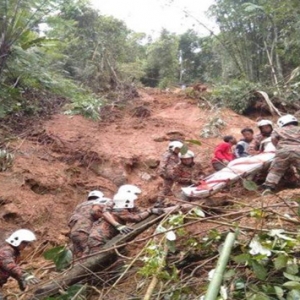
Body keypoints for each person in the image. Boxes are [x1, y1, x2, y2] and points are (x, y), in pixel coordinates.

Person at [85, 188, 163, 254]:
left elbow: (139, 211)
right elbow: (135, 218)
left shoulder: (124, 203)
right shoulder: (119, 207)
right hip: (98, 239)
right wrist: (150, 211)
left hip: (103, 237)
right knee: (101, 261)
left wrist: (150, 209)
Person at [68, 190, 130, 258]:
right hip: (84, 232)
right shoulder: (100, 203)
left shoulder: (79, 206)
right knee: (89, 254)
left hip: (74, 233)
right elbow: (97, 213)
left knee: (80, 256)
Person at [262, 114, 300, 194]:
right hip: (298, 150)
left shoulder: (277, 130)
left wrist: (279, 147)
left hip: (282, 151)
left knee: (276, 170)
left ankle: (269, 187)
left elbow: (273, 139)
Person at [0, 229, 40, 298]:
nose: (25, 245)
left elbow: (11, 270)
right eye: (24, 243)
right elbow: (8, 265)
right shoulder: (6, 251)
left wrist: (20, 278)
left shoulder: (15, 253)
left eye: (27, 243)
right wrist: (24, 275)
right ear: (17, 241)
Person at [155, 141, 184, 207]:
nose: (178, 150)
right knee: (166, 188)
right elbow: (162, 164)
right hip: (168, 174)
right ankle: (159, 202)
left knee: (169, 188)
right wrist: (162, 173)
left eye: (179, 149)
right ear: (172, 148)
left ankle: (176, 201)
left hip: (175, 173)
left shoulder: (177, 155)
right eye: (177, 149)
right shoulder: (167, 154)